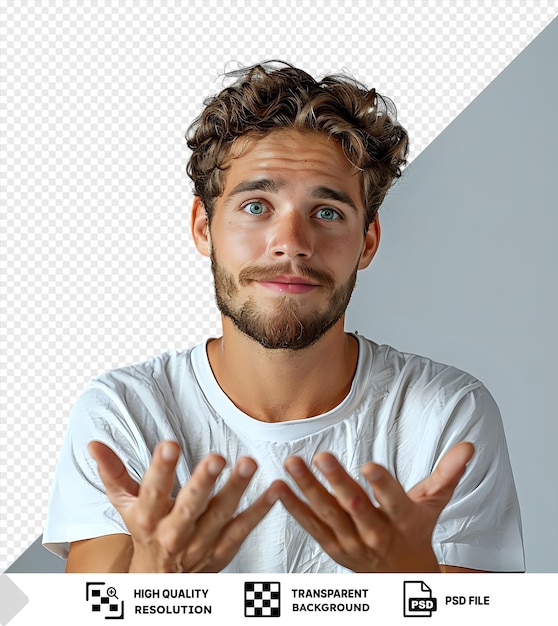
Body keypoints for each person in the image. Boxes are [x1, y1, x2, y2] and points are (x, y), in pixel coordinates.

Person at [43, 61, 524, 574]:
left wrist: (411, 583)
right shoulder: (124, 411)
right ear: (204, 228)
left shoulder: (445, 416)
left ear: (368, 241)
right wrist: (153, 584)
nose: (291, 243)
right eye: (256, 206)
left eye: (327, 212)